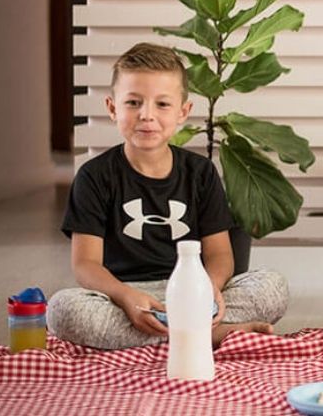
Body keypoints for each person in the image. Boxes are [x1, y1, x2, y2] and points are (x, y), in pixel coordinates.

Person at [48, 43, 288, 350]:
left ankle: (162, 336)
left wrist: (208, 289)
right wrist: (126, 297)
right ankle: (211, 335)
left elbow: (220, 255)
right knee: (63, 309)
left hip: (191, 291)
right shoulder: (95, 176)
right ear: (112, 108)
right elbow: (85, 264)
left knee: (272, 286)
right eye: (133, 102)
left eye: (162, 104)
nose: (147, 115)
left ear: (183, 113)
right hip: (125, 298)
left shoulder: (200, 173)